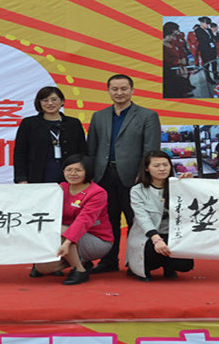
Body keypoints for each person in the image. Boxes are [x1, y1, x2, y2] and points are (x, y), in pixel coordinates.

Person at [86, 74, 161, 273]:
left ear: (132, 90)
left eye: (124, 88)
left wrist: (143, 175)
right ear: (108, 91)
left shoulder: (147, 116)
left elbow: (151, 150)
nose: (119, 93)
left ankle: (135, 262)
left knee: (135, 220)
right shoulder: (98, 116)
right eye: (115, 89)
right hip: (103, 176)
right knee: (108, 220)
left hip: (133, 177)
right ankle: (108, 261)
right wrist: (91, 175)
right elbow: (91, 149)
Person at [31, 155, 113, 285]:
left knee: (61, 230)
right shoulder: (61, 188)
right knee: (43, 268)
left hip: (96, 239)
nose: (73, 174)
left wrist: (67, 242)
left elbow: (84, 220)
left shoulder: (97, 193)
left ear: (87, 172)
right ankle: (81, 261)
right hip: (64, 236)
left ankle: (79, 270)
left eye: (78, 170)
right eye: (69, 170)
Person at [127, 150, 195, 281]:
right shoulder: (137, 190)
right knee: (150, 253)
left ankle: (169, 266)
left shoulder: (178, 185)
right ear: (146, 168)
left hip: (172, 234)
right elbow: (142, 218)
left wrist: (190, 185)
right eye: (156, 166)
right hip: (148, 235)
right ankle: (141, 266)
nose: (162, 169)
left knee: (184, 264)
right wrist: (156, 239)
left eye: (165, 165)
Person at [14, 86, 87, 184]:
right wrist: (21, 179)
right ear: (39, 103)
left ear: (62, 101)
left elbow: (82, 151)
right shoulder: (29, 123)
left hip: (70, 176)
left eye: (54, 99)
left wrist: (85, 176)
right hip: (37, 175)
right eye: (45, 100)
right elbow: (20, 153)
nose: (50, 103)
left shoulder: (73, 123)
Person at [194, 16, 218, 83]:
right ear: (201, 23)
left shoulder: (209, 30)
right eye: (206, 24)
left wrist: (216, 34)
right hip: (205, 50)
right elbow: (203, 40)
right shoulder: (197, 31)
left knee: (214, 63)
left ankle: (215, 75)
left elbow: (214, 38)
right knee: (206, 65)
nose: (208, 26)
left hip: (212, 49)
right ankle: (208, 78)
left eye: (208, 24)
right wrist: (211, 39)